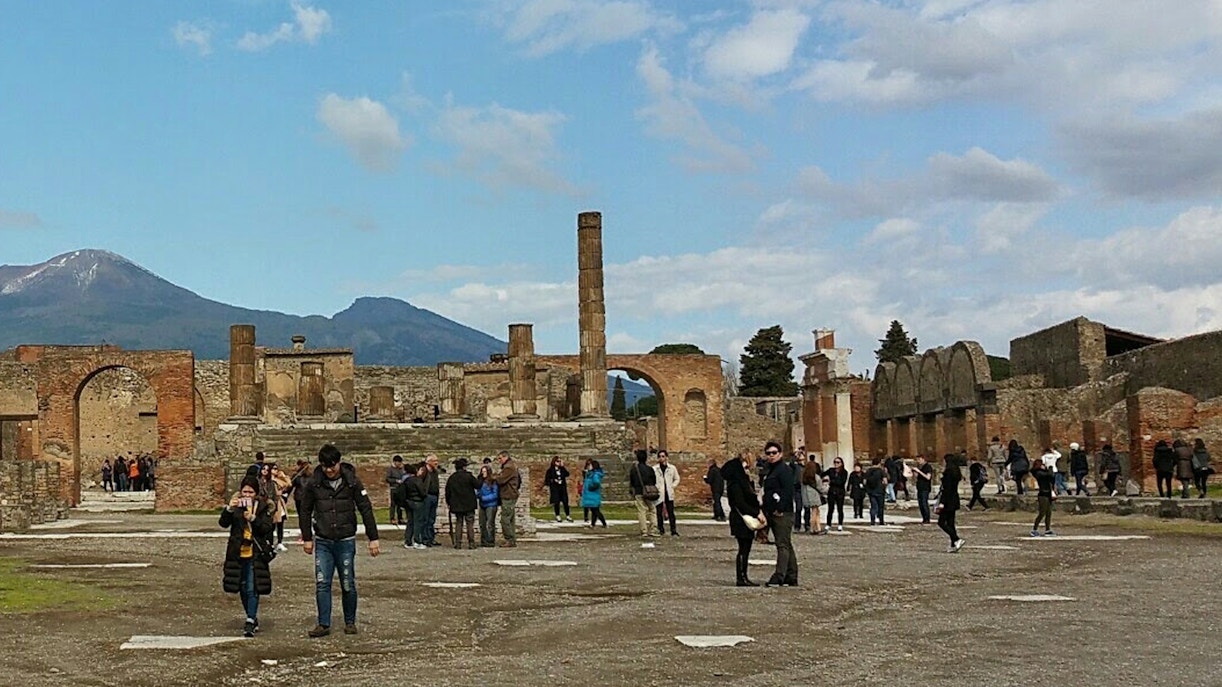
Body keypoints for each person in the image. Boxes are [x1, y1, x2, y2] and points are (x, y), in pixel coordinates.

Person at [298, 444, 380, 638]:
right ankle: (323, 623)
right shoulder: (314, 484)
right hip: (324, 540)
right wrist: (307, 538)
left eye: (332, 466)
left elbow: (365, 508)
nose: (329, 471)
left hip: (345, 539)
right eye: (325, 467)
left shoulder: (352, 482)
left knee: (347, 582)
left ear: (339, 463)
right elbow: (305, 510)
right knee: (322, 582)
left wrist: (373, 537)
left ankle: (350, 621)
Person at [220, 475, 275, 638]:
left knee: (252, 586)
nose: (247, 495)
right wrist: (230, 508)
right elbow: (223, 523)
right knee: (242, 587)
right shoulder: (236, 506)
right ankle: (251, 615)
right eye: (244, 491)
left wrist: (253, 519)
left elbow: (267, 528)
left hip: (255, 553)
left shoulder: (263, 507)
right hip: (238, 552)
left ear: (256, 493)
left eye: (250, 492)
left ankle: (250, 619)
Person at [722, 453, 762, 587]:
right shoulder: (736, 484)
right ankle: (741, 577)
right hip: (741, 518)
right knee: (743, 548)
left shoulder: (739, 482)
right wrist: (756, 513)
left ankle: (743, 576)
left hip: (740, 517)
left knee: (745, 548)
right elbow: (741, 503)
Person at [761, 441, 798, 587]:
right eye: (768, 453)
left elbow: (788, 491)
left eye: (774, 453)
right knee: (786, 543)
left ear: (780, 454)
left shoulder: (784, 470)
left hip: (783, 513)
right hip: (773, 511)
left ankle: (779, 576)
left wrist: (780, 509)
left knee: (782, 545)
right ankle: (792, 575)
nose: (771, 456)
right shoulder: (770, 469)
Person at [445, 458, 479, 549]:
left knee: (459, 523)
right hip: (469, 504)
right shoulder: (469, 476)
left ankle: (458, 543)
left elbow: (447, 492)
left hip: (457, 504)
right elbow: (478, 485)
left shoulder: (452, 478)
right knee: (470, 523)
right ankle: (471, 543)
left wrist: (449, 502)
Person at [936, 455, 965, 552]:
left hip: (948, 500)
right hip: (954, 499)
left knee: (941, 522)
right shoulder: (956, 472)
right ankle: (954, 545)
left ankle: (956, 539)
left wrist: (942, 503)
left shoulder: (948, 473)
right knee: (950, 523)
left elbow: (946, 489)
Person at [629, 450, 659, 538]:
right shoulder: (650, 469)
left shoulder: (634, 469)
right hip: (649, 492)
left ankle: (644, 530)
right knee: (652, 510)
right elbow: (654, 480)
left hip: (638, 491)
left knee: (641, 511)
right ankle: (653, 529)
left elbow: (632, 481)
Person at [494, 451, 521, 547]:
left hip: (508, 495)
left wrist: (495, 476)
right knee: (510, 519)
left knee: (505, 519)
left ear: (505, 457)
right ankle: (512, 539)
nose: (499, 460)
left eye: (500, 458)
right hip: (510, 494)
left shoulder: (509, 468)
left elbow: (500, 480)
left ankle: (509, 539)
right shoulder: (511, 466)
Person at [400, 463, 429, 550]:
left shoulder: (406, 481)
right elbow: (422, 492)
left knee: (410, 522)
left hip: (409, 502)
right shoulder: (417, 480)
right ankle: (417, 541)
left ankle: (408, 541)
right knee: (418, 522)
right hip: (417, 502)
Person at [654, 450, 681, 537]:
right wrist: (656, 487)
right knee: (659, 512)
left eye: (663, 456)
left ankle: (673, 530)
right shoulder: (655, 469)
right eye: (660, 456)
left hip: (668, 492)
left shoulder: (672, 468)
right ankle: (661, 529)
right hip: (659, 492)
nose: (661, 458)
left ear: (666, 457)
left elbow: (677, 478)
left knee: (671, 512)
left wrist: (672, 486)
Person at [1030, 457, 1056, 536]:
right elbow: (1049, 475)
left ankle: (1047, 529)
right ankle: (1034, 529)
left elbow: (1052, 478)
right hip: (1043, 494)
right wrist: (1050, 468)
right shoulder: (1038, 473)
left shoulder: (1044, 472)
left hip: (1048, 493)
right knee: (1042, 512)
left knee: (1049, 513)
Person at [544, 456, 572, 523]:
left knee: (565, 502)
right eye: (557, 461)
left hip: (562, 488)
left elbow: (567, 474)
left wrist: (563, 467)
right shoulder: (550, 470)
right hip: (555, 489)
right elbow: (547, 480)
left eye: (560, 461)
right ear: (554, 462)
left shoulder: (562, 469)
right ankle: (557, 515)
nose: (559, 463)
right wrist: (554, 480)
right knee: (556, 502)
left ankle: (568, 515)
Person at [823, 457, 848, 532]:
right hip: (832, 491)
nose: (836, 464)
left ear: (841, 463)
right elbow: (822, 474)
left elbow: (841, 482)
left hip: (840, 492)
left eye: (838, 462)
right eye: (835, 462)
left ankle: (840, 524)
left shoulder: (844, 472)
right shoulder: (831, 470)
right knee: (830, 509)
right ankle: (828, 524)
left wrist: (831, 481)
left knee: (840, 509)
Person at [477, 464, 499, 547]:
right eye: (482, 472)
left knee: (490, 523)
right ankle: (483, 540)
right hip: (482, 504)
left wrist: (484, 498)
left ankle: (490, 540)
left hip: (491, 504)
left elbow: (495, 494)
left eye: (485, 472)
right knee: (482, 523)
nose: (483, 473)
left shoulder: (493, 482)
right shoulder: (480, 481)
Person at [423, 454, 442, 546]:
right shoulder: (424, 471)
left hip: (434, 496)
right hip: (427, 496)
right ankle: (425, 538)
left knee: (432, 519)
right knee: (425, 518)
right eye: (434, 461)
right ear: (429, 462)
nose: (436, 463)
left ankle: (431, 538)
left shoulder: (435, 472)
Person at [581, 460, 607, 528]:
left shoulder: (595, 474)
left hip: (593, 495)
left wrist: (591, 487)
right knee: (594, 510)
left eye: (590, 465)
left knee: (595, 510)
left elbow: (596, 483)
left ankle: (604, 523)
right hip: (590, 495)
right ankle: (593, 524)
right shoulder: (590, 474)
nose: (588, 466)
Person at [864, 457, 888, 526]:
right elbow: (885, 481)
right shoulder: (881, 471)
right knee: (880, 507)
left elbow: (864, 481)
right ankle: (881, 521)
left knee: (873, 506)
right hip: (880, 491)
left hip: (871, 491)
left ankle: (872, 521)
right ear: (879, 463)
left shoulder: (868, 471)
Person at [913, 455, 934, 524]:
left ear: (923, 459)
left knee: (924, 503)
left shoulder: (928, 467)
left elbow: (928, 477)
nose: (918, 461)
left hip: (925, 488)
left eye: (919, 460)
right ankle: (924, 518)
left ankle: (927, 518)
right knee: (920, 504)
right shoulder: (920, 467)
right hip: (920, 487)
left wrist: (919, 472)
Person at [385, 455, 406, 525]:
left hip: (401, 489)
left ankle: (400, 518)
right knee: (393, 504)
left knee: (400, 504)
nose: (399, 464)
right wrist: (396, 481)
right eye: (398, 463)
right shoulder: (390, 469)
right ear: (395, 462)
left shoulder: (401, 469)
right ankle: (392, 518)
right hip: (394, 488)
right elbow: (387, 479)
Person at [703, 457, 726, 521]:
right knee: (717, 501)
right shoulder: (719, 469)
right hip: (721, 488)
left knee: (717, 502)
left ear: (711, 463)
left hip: (715, 488)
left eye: (708, 463)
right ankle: (717, 515)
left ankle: (720, 515)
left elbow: (709, 480)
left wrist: (705, 478)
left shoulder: (712, 470)